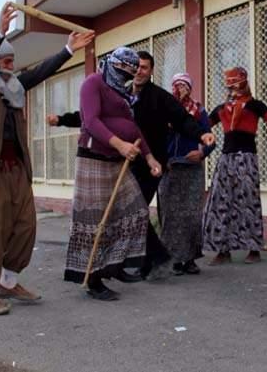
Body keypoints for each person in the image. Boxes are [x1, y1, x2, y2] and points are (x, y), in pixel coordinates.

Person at [0, 3, 94, 315]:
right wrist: (0, 32)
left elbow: (38, 73)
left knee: (24, 226)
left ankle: (9, 281)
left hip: (15, 167)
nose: (12, 63)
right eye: (5, 57)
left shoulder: (12, 85)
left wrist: (67, 50)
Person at [47, 51, 215, 279]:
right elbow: (90, 115)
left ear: (151, 71)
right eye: (135, 68)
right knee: (129, 213)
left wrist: (202, 134)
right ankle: (136, 262)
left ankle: (152, 259)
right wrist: (62, 120)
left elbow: (181, 118)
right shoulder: (118, 91)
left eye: (144, 67)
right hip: (120, 162)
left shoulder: (160, 97)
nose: (138, 71)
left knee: (134, 212)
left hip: (149, 165)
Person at [64, 47, 162, 300]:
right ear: (112, 65)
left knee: (135, 211)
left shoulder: (122, 91)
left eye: (129, 74)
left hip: (118, 160)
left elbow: (133, 127)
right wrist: (119, 144)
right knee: (96, 220)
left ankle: (115, 265)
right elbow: (91, 121)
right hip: (94, 158)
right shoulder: (93, 83)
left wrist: (150, 157)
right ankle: (93, 278)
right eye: (121, 71)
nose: (125, 77)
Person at [202, 67, 267, 265]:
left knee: (248, 202)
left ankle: (254, 249)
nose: (233, 85)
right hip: (225, 158)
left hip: (247, 157)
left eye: (236, 81)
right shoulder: (222, 108)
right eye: (230, 82)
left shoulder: (255, 105)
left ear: (244, 81)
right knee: (221, 203)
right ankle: (222, 251)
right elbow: (203, 126)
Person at [157, 73, 215, 276]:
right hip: (171, 168)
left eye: (184, 86)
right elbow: (158, 137)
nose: (180, 90)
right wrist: (162, 160)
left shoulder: (199, 111)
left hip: (192, 169)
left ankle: (189, 260)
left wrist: (202, 153)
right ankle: (173, 259)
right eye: (176, 86)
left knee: (191, 215)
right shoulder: (164, 111)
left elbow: (210, 138)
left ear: (190, 88)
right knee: (171, 216)